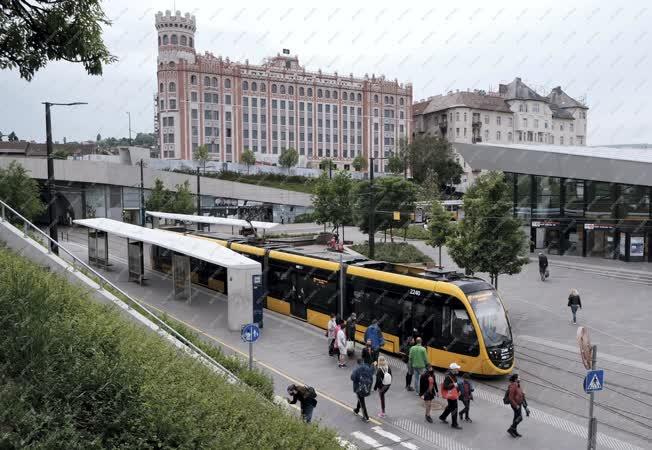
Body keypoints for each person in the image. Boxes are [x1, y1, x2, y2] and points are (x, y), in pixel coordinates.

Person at [439, 362, 462, 430]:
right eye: (457, 368)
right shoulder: (449, 377)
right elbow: (445, 386)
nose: (458, 369)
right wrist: (453, 385)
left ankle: (442, 417)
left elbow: (455, 385)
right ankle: (454, 424)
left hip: (452, 394)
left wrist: (458, 390)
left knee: (450, 406)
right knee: (454, 408)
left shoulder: (453, 375)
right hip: (451, 396)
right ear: (453, 369)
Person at [507, 373, 530, 438]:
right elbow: (510, 397)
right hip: (515, 405)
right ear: (515, 379)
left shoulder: (518, 385)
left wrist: (523, 393)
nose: (520, 379)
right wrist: (515, 405)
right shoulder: (513, 386)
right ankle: (511, 429)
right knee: (520, 418)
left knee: (516, 418)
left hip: (519, 404)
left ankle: (514, 431)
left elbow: (519, 393)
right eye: (519, 378)